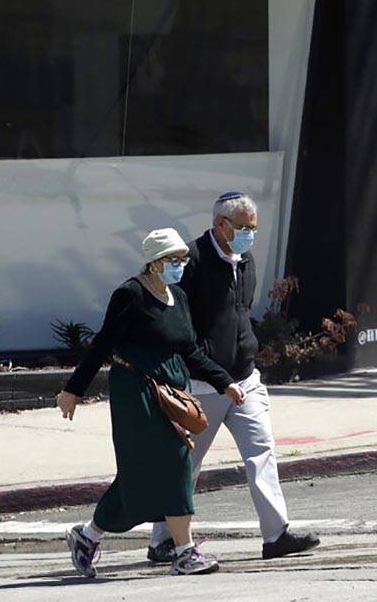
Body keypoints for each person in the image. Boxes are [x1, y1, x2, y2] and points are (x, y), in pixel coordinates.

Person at [56, 227, 246, 578]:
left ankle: (88, 535)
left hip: (171, 391)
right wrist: (73, 390)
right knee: (173, 463)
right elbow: (102, 344)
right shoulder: (130, 294)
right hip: (136, 390)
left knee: (143, 474)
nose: (179, 265)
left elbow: (188, 349)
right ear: (154, 262)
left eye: (182, 259)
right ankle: (185, 552)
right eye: (172, 260)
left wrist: (224, 382)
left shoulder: (179, 296)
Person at [145, 192, 320, 562]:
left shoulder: (246, 260)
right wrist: (201, 368)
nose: (250, 235)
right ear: (221, 225)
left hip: (245, 379)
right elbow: (177, 324)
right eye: (243, 228)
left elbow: (240, 313)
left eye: (253, 228)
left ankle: (276, 535)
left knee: (262, 453)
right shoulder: (190, 261)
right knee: (185, 464)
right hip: (202, 384)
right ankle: (162, 540)